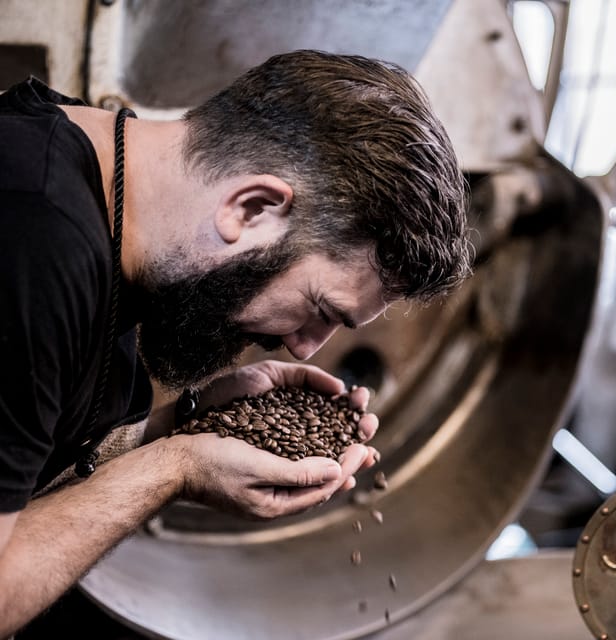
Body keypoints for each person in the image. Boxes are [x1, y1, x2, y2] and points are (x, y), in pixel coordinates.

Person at [0, 49, 471, 635]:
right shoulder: (32, 239)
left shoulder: (110, 205)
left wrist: (189, 423)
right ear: (253, 208)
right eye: (320, 309)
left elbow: (31, 459)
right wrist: (175, 468)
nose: (305, 348)